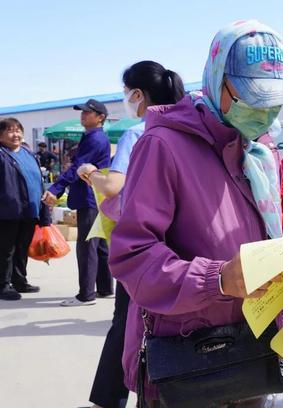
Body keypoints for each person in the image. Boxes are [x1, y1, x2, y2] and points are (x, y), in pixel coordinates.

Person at [108, 20, 283, 406]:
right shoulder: (163, 144)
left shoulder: (259, 151)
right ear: (217, 81)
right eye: (252, 96)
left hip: (253, 346)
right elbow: (132, 254)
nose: (263, 111)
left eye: (272, 100)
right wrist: (217, 279)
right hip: (187, 357)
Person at [76, 61, 185, 408]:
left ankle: (111, 397)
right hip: (185, 246)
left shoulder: (141, 132)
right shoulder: (191, 128)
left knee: (127, 322)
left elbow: (114, 185)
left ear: (138, 94)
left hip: (145, 248)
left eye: (127, 92)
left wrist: (90, 172)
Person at [42, 98, 113, 306]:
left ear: (100, 118)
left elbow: (77, 168)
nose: (83, 115)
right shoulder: (93, 137)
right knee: (98, 244)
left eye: (88, 112)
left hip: (89, 197)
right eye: (82, 112)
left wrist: (56, 188)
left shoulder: (95, 139)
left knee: (87, 245)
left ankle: (86, 294)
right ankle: (105, 287)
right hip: (96, 196)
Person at [0, 118, 51, 300]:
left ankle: (20, 281)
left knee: (22, 248)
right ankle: (3, 285)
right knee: (6, 250)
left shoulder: (29, 154)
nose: (16, 134)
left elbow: (38, 182)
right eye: (10, 131)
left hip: (29, 210)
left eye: (18, 130)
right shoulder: (2, 154)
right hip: (7, 211)